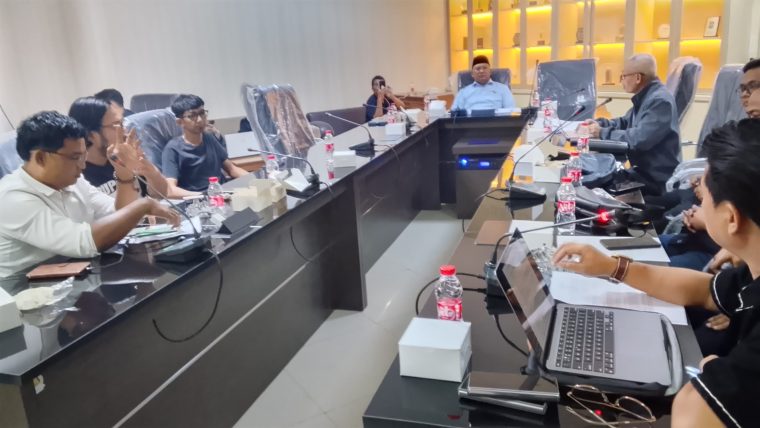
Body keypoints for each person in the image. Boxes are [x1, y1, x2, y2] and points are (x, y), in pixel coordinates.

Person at [553, 119, 760, 428]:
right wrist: (611, 267)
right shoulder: (751, 275)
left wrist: (708, 376)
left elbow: (692, 415)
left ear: (731, 218)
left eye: (704, 198)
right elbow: (703, 290)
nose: (699, 203)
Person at [0, 111, 180, 278]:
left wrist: (124, 172)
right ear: (40, 158)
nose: (82, 165)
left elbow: (119, 216)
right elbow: (83, 243)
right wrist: (143, 205)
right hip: (27, 292)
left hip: (75, 275)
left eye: (83, 156)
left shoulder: (73, 181)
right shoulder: (11, 198)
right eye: (75, 157)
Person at [581, 54, 679, 196]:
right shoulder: (648, 97)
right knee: (592, 175)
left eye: (623, 76)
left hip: (655, 180)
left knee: (591, 184)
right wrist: (600, 123)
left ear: (638, 78)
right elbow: (625, 122)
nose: (621, 81)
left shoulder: (659, 101)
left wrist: (601, 132)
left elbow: (638, 139)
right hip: (643, 172)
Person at [69, 96, 168, 198]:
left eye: (122, 123)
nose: (124, 131)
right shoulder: (76, 177)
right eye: (116, 125)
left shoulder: (123, 156)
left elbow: (160, 195)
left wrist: (152, 173)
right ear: (91, 135)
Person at [162, 94, 248, 198]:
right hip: (198, 201)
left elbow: (232, 169)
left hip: (223, 195)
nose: (199, 120)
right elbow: (171, 191)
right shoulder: (172, 149)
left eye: (202, 113)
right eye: (192, 116)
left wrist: (256, 181)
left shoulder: (209, 138)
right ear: (180, 122)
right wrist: (205, 196)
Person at [451, 55, 515, 113]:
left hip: (496, 121)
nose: (481, 71)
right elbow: (454, 113)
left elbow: (511, 110)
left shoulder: (503, 89)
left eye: (485, 68)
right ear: (472, 74)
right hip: (471, 121)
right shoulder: (463, 92)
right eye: (478, 69)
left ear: (490, 72)